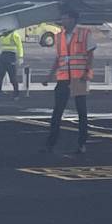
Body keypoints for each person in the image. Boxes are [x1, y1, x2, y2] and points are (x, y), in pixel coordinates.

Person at [42, 9, 97, 154]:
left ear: (73, 20)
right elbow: (59, 58)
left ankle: (82, 143)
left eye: (65, 18)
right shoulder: (59, 36)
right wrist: (50, 75)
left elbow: (90, 55)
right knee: (57, 111)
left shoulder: (85, 33)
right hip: (63, 78)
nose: (63, 21)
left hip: (79, 78)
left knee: (81, 111)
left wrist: (87, 72)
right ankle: (50, 143)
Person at [0, 29, 24, 100]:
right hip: (3, 56)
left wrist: (20, 57)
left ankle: (16, 94)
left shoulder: (14, 35)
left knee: (12, 78)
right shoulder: (2, 34)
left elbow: (19, 46)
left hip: (11, 56)